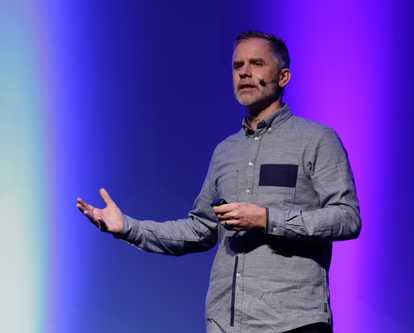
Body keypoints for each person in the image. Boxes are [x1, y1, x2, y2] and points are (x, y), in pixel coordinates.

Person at [76, 31, 361, 333]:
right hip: (227, 325)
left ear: (284, 77)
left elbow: (346, 218)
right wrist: (127, 227)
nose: (245, 72)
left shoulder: (316, 140)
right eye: (238, 66)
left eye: (256, 63)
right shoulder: (226, 152)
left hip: (293, 322)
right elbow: (200, 228)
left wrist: (266, 219)